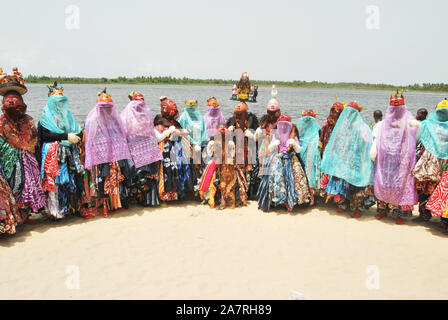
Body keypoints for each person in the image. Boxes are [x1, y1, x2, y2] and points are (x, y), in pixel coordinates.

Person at [0, 67, 46, 229]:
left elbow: (34, 138)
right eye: (9, 101)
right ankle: (14, 215)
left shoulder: (27, 120)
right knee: (12, 185)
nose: (13, 104)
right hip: (9, 159)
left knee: (29, 184)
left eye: (16, 101)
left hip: (27, 158)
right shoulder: (2, 123)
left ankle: (26, 214)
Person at [370, 91, 420, 225]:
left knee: (399, 186)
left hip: (401, 162)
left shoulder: (409, 122)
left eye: (398, 109)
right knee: (384, 183)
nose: (395, 111)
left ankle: (398, 214)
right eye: (393, 109)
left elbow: (415, 140)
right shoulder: (383, 124)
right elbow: (376, 140)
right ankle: (382, 210)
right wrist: (374, 153)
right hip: (385, 162)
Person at [37, 82, 84, 220]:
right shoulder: (46, 116)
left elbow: (77, 129)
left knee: (68, 179)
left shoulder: (66, 115)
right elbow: (44, 135)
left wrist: (78, 137)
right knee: (54, 181)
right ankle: (52, 210)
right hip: (52, 153)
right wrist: (65, 137)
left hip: (67, 151)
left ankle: (67, 207)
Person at [83, 89, 133, 217]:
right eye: (104, 107)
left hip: (114, 155)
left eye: (108, 107)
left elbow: (121, 134)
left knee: (115, 180)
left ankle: (115, 204)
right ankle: (103, 206)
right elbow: (89, 138)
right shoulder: (93, 119)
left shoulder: (114, 119)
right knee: (102, 181)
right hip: (100, 156)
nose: (106, 110)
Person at [321, 101, 374, 218]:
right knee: (342, 183)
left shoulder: (362, 127)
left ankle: (356, 208)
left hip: (356, 161)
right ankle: (342, 204)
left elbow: (367, 142)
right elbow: (336, 143)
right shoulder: (342, 126)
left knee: (356, 185)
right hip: (344, 161)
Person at [257, 114, 310, 212]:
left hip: (290, 159)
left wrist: (294, 144)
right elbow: (269, 148)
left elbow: (299, 150)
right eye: (281, 125)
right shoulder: (276, 135)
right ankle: (276, 200)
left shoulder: (292, 135)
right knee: (275, 178)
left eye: (286, 125)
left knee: (293, 179)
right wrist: (274, 144)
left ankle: (290, 201)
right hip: (277, 158)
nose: (283, 127)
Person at [120, 91, 162, 207]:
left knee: (147, 176)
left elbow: (150, 132)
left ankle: (149, 201)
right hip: (136, 150)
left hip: (146, 150)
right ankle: (141, 200)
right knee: (139, 176)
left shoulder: (142, 114)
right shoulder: (127, 114)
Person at [415, 99, 448, 230]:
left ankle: (424, 214)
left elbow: (418, 140)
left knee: (424, 186)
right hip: (444, 161)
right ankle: (442, 218)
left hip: (429, 160)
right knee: (442, 189)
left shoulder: (427, 124)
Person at [153, 97, 194, 202]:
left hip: (179, 150)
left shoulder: (175, 123)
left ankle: (181, 193)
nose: (175, 114)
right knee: (167, 172)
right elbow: (158, 137)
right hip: (166, 151)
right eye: (173, 111)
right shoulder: (159, 122)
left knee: (181, 170)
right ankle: (165, 196)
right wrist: (169, 133)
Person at [226, 101, 259, 202]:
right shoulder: (231, 123)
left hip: (248, 152)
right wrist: (229, 134)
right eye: (237, 115)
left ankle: (249, 192)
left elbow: (256, 139)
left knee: (249, 172)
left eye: (240, 115)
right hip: (235, 151)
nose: (238, 117)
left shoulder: (251, 121)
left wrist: (251, 135)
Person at [200, 124, 239, 209]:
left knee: (225, 182)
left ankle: (223, 200)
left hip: (226, 165)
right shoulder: (212, 143)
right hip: (216, 164)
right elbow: (210, 154)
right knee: (215, 181)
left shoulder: (230, 143)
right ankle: (215, 199)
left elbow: (232, 156)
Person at [318, 97, 345, 195]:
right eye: (333, 111)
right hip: (327, 147)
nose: (334, 114)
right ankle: (326, 191)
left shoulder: (342, 123)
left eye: (336, 112)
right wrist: (320, 141)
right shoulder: (328, 122)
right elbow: (322, 132)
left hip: (338, 149)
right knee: (327, 168)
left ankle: (335, 193)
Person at [296, 109, 321, 206]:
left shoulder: (300, 132)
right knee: (311, 173)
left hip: (303, 151)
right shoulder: (317, 131)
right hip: (312, 152)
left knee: (303, 172)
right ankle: (312, 196)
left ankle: (305, 195)